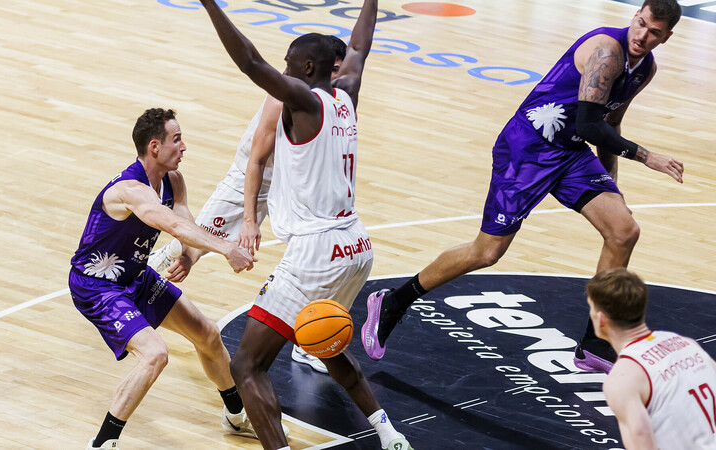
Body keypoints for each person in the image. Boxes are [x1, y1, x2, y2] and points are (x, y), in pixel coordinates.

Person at [361, 0, 684, 374]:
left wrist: (611, 182)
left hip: (570, 152)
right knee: (487, 252)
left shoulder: (645, 69)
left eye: (654, 32)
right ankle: (394, 302)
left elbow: (610, 124)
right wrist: (648, 157)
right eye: (641, 23)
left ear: (667, 36)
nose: (643, 36)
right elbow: (590, 124)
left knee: (624, 230)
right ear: (635, 16)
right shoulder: (606, 50)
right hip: (527, 148)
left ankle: (594, 343)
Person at [198, 0, 413, 448]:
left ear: (308, 67)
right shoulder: (346, 96)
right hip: (355, 246)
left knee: (247, 366)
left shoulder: (305, 102)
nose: (282, 70)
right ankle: (388, 434)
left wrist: (209, 4)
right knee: (324, 338)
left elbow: (250, 61)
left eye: (289, 65)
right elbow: (359, 47)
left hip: (315, 251)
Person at [148, 38, 349, 375]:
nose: (338, 76)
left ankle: (313, 337)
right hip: (257, 173)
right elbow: (256, 159)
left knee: (322, 253)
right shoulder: (286, 91)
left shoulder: (334, 96)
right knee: (196, 243)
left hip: (294, 182)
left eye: (341, 71)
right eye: (336, 69)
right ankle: (150, 272)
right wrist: (250, 220)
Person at [69, 108, 265, 450]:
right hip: (98, 286)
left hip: (136, 276)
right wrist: (227, 249)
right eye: (177, 140)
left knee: (207, 333)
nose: (184, 147)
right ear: (155, 146)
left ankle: (235, 417)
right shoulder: (129, 190)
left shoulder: (173, 181)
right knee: (155, 354)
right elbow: (172, 225)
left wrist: (189, 257)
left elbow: (187, 225)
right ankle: (102, 443)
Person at [587, 268, 716, 449]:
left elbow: (642, 441)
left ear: (600, 319)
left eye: (591, 307)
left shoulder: (622, 379)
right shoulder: (688, 344)